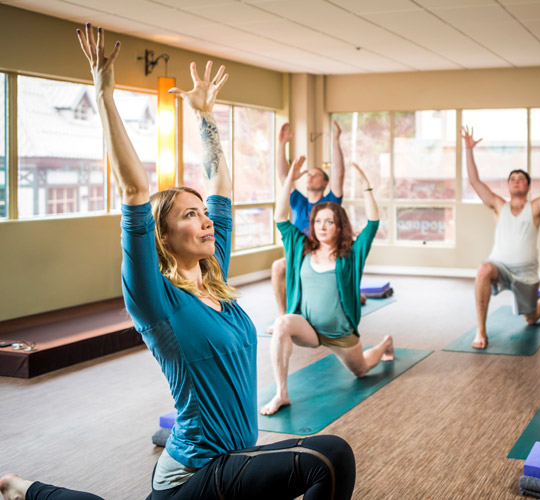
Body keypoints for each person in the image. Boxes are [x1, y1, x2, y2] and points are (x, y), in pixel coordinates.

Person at [0, 25, 355, 500]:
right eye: (191, 215)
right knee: (328, 457)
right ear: (162, 238)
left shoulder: (215, 275)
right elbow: (133, 191)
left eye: (205, 213)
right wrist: (104, 96)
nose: (208, 221)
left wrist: (204, 115)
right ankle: (21, 489)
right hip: (195, 474)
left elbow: (221, 183)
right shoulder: (154, 301)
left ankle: (20, 490)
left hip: (232, 462)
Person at [260, 156, 394, 416]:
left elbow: (373, 224)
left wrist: (367, 186)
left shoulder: (352, 254)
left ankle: (385, 344)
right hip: (308, 328)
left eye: (329, 222)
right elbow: (280, 216)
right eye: (318, 221)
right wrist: (289, 179)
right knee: (282, 324)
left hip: (340, 333)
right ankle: (281, 393)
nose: (322, 226)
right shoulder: (300, 247)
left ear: (339, 225)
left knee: (362, 370)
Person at [463, 126, 540, 349]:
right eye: (512, 179)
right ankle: (481, 329)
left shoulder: (536, 207)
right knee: (483, 270)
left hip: (526, 274)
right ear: (508, 186)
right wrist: (468, 149)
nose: (516, 181)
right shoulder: (499, 206)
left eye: (521, 179)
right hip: (500, 266)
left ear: (528, 186)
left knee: (530, 320)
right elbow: (475, 182)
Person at [269, 121, 357, 331]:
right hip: (299, 254)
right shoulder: (298, 201)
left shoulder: (330, 203)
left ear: (325, 182)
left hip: (322, 254)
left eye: (316, 174)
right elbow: (284, 177)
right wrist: (281, 144)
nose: (310, 176)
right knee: (278, 267)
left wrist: (335, 141)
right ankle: (284, 318)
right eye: (309, 174)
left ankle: (351, 296)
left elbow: (339, 173)